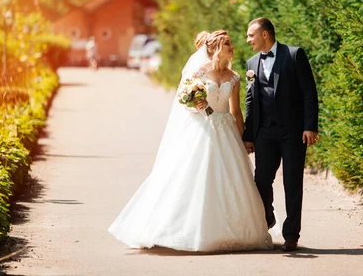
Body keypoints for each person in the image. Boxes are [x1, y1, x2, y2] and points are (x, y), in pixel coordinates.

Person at [108, 30, 272, 252]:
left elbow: (236, 112)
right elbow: (185, 101)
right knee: (196, 177)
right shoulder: (198, 73)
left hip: (226, 132)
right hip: (202, 130)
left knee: (231, 180)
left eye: (231, 43)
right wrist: (199, 106)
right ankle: (181, 229)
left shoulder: (234, 77)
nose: (232, 46)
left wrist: (244, 139)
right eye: (227, 44)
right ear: (214, 49)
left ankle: (232, 230)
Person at [242, 17, 319, 252]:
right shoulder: (251, 63)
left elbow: (309, 92)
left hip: (293, 132)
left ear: (265, 34)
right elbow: (250, 101)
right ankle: (268, 216)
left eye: (251, 35)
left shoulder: (294, 55)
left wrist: (310, 126)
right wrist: (248, 134)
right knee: (261, 181)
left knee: (292, 183)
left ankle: (291, 235)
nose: (248, 40)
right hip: (264, 133)